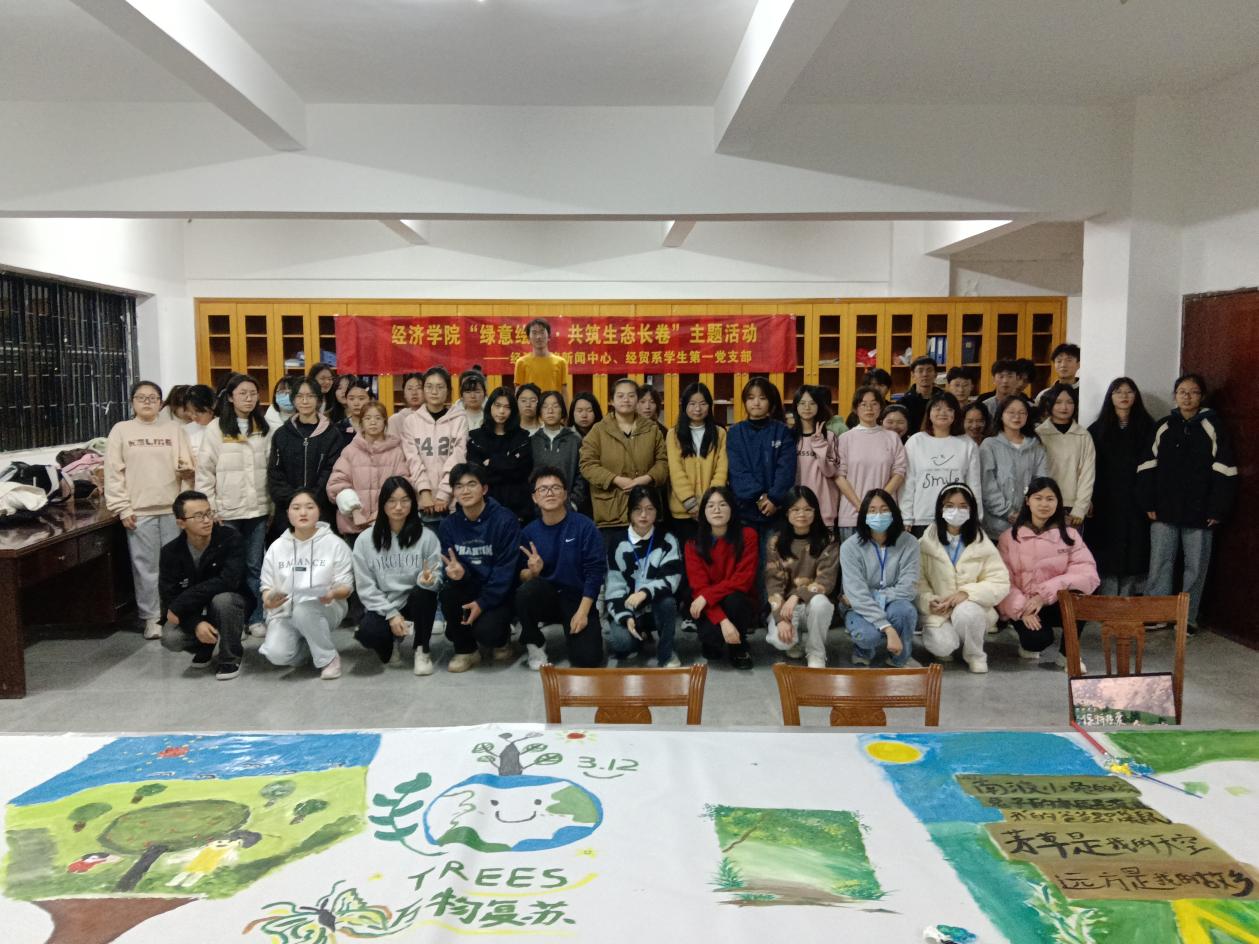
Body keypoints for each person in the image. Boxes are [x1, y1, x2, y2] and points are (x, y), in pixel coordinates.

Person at [1138, 373, 1237, 631]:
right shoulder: (1163, 426)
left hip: (1201, 511)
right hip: (1163, 509)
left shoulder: (1213, 426)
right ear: (1175, 396)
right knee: (1160, 563)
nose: (1187, 396)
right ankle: (1157, 614)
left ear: (1201, 396)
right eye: (1182, 391)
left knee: (1195, 567)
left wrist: (1218, 508)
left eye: (1193, 392)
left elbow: (1225, 469)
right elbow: (1147, 466)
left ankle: (1187, 619)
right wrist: (1148, 502)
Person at [106, 380, 194, 639]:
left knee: (176, 566)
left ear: (160, 402)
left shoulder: (174, 430)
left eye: (153, 397)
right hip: (140, 510)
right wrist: (122, 508)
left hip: (172, 509)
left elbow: (188, 466)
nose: (147, 402)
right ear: (132, 402)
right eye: (141, 397)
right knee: (146, 567)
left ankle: (175, 614)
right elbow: (113, 473)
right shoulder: (121, 430)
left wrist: (186, 496)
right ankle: (152, 617)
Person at [195, 372, 273, 638]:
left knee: (254, 566)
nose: (249, 399)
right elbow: (205, 472)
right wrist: (210, 509)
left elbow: (270, 470)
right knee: (228, 568)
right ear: (230, 397)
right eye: (242, 394)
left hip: (258, 510)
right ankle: (232, 621)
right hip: (226, 511)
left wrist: (271, 506)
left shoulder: (263, 427)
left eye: (253, 394)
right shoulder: (216, 428)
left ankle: (256, 617)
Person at [997, 477, 1100, 667]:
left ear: (1058, 503)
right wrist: (1023, 609)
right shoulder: (1009, 538)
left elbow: (1087, 574)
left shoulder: (1070, 535)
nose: (1044, 504)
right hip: (1025, 605)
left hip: (1053, 602)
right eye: (1038, 498)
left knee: (1081, 597)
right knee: (1036, 641)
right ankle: (1025, 639)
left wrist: (1043, 595)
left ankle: (1068, 655)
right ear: (1028, 501)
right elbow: (1002, 580)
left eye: (1050, 499)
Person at [258, 489, 355, 680]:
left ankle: (328, 658)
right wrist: (269, 600)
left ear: (319, 511)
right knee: (276, 654)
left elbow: (346, 587)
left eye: (309, 507)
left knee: (304, 610)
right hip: (285, 610)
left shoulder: (335, 544)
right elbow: (266, 587)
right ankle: (309, 649)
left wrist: (332, 593)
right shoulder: (277, 547)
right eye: (296, 508)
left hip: (325, 607)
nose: (303, 513)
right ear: (288, 513)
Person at [516, 467, 608, 669]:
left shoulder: (585, 526)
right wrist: (533, 572)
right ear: (534, 497)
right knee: (525, 592)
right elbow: (521, 575)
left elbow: (595, 574)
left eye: (555, 488)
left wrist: (583, 612)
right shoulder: (529, 532)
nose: (549, 493)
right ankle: (535, 644)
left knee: (588, 660)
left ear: (565, 494)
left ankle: (587, 634)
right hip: (547, 596)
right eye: (543, 489)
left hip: (577, 598)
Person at [916, 484, 1009, 674]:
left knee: (968, 613)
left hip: (970, 607)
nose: (956, 511)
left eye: (963, 506)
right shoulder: (925, 543)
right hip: (939, 610)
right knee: (943, 647)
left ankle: (975, 654)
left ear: (971, 510)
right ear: (940, 508)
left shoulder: (982, 543)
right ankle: (948, 641)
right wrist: (929, 600)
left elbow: (999, 581)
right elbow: (918, 582)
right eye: (949, 506)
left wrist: (967, 593)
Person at [158, 490, 252, 680]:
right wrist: (195, 624)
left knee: (223, 600)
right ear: (181, 523)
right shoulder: (170, 552)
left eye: (209, 513)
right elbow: (169, 595)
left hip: (232, 602)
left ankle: (230, 657)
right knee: (171, 638)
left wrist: (181, 602)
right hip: (195, 610)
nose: (207, 520)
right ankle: (205, 645)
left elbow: (229, 581)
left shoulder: (230, 538)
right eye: (198, 516)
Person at [437, 464, 522, 672]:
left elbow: (506, 570)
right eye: (459, 486)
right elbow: (451, 564)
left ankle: (501, 639)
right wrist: (459, 573)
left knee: (489, 633)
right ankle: (466, 651)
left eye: (471, 484)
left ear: (484, 489)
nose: (465, 491)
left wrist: (483, 603)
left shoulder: (505, 520)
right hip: (469, 587)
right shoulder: (449, 525)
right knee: (448, 592)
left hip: (498, 593)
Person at [352, 477, 442, 674]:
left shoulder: (427, 537)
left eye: (405, 500)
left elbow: (436, 574)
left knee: (424, 593)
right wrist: (391, 614)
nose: (398, 507)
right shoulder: (365, 540)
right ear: (382, 504)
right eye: (391, 501)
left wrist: (429, 581)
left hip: (415, 601)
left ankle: (422, 649)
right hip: (384, 602)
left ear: (413, 503)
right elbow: (366, 587)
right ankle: (392, 641)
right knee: (368, 634)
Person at [579, 377, 668, 551]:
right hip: (610, 511)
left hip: (645, 509)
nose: (626, 400)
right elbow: (587, 465)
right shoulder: (598, 430)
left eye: (631, 395)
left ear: (637, 399)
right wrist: (615, 479)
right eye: (620, 396)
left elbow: (663, 463)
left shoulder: (652, 429)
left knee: (646, 563)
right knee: (613, 562)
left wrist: (646, 478)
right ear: (611, 401)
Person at [726, 377, 796, 599]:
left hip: (775, 511)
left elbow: (786, 469)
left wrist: (774, 498)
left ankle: (771, 609)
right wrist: (758, 496)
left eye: (762, 398)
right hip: (745, 511)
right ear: (745, 402)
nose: (756, 403)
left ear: (771, 403)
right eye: (751, 398)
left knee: (773, 563)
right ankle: (750, 611)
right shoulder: (735, 432)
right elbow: (737, 470)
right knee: (747, 563)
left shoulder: (781, 431)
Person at [1086, 377, 1155, 596]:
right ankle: (1106, 601)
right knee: (1107, 550)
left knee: (1136, 550)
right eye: (1118, 392)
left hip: (1137, 499)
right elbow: (1089, 468)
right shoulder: (1096, 429)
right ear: (1110, 397)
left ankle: (1129, 601)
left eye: (1129, 391)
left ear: (1136, 396)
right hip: (1105, 500)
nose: (1124, 396)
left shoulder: (1149, 427)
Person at [606, 485, 684, 668]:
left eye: (650, 509)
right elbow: (614, 588)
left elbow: (671, 579)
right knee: (621, 645)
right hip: (628, 607)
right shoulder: (617, 541)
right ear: (630, 512)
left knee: (668, 603)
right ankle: (637, 635)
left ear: (657, 512)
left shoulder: (667, 539)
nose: (643, 515)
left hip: (655, 606)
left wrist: (644, 593)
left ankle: (666, 654)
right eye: (638, 509)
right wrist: (625, 616)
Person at [840, 489, 919, 667]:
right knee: (868, 636)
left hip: (895, 603)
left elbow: (909, 588)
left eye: (884, 510)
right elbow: (856, 594)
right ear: (864, 515)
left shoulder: (909, 542)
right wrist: (887, 628)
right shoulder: (850, 547)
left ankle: (901, 658)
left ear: (894, 512)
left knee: (905, 611)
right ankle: (863, 652)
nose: (878, 515)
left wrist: (877, 596)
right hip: (859, 606)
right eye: (872, 510)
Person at [764, 486, 840, 668]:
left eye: (807, 509)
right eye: (795, 509)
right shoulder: (775, 542)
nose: (801, 514)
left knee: (821, 603)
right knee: (782, 641)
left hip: (811, 605)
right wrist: (781, 619)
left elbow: (826, 581)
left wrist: (796, 596)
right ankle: (794, 641)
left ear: (815, 512)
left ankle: (816, 652)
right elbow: (774, 585)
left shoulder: (828, 540)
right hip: (786, 608)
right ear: (787, 513)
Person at [684, 486, 759, 670]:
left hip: (736, 600)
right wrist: (723, 622)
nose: (717, 510)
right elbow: (699, 588)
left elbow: (743, 580)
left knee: (735, 599)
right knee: (711, 637)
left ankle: (738, 648)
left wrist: (707, 596)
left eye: (723, 504)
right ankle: (712, 641)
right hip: (709, 606)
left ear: (732, 509)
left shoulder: (748, 536)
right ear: (703, 512)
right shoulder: (693, 544)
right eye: (710, 506)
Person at [267, 377, 346, 542]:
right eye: (300, 396)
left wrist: (311, 502)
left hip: (322, 512)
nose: (305, 401)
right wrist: (294, 502)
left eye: (310, 396)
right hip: (287, 512)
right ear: (293, 400)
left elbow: (332, 471)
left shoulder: (332, 434)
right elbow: (275, 474)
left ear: (318, 399)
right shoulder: (281, 434)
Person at [327, 400, 410, 537]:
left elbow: (403, 484)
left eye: (378, 418)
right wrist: (354, 511)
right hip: (354, 525)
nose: (373, 422)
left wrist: (382, 513)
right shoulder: (350, 451)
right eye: (367, 418)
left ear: (385, 422)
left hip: (389, 525)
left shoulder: (396, 452)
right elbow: (336, 485)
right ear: (361, 423)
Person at [902, 392, 982, 532]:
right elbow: (908, 482)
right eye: (937, 408)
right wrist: (906, 516)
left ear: (955, 414)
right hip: (922, 517)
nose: (943, 413)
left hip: (957, 518)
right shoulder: (916, 441)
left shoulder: (967, 444)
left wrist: (976, 517)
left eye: (949, 409)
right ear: (929, 413)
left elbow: (974, 485)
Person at [835, 386, 906, 541]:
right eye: (864, 404)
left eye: (874, 404)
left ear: (881, 407)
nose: (869, 408)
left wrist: (879, 502)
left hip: (885, 515)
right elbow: (839, 476)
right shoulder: (845, 439)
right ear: (856, 408)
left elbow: (899, 472)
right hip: (852, 515)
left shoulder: (892, 437)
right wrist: (862, 507)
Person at [400, 366, 468, 526]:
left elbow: (458, 457)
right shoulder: (411, 421)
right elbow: (412, 460)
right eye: (429, 386)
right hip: (421, 502)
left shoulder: (459, 420)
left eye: (440, 387)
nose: (434, 392)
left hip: (452, 500)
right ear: (423, 390)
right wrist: (424, 491)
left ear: (448, 391)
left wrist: (444, 493)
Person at [979, 396, 1049, 542]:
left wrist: (1030, 513)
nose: (1017, 417)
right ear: (1001, 415)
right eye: (1011, 412)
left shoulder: (1036, 446)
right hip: (996, 525)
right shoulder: (989, 445)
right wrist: (1008, 513)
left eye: (1022, 413)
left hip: (1028, 523)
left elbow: (1041, 482)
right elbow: (987, 486)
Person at [467, 386, 534, 522]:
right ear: (490, 407)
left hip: (518, 508)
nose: (501, 411)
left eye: (507, 407)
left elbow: (522, 472)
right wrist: (509, 464)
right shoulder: (475, 437)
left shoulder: (523, 437)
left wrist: (491, 463)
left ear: (513, 410)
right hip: (484, 507)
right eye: (497, 406)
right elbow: (477, 474)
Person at [1036, 383, 1095, 527]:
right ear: (1050, 404)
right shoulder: (1039, 435)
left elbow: (1087, 474)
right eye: (1058, 402)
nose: (1064, 407)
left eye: (1069, 402)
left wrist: (1080, 508)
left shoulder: (1083, 435)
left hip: (1072, 507)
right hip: (1043, 503)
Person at [790, 385, 841, 531]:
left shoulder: (829, 436)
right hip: (796, 512)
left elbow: (830, 472)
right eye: (802, 403)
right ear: (796, 407)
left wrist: (819, 446)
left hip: (824, 512)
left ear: (819, 406)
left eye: (812, 403)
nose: (807, 407)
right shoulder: (789, 437)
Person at [532, 390, 588, 515]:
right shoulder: (533, 441)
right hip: (539, 509)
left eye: (555, 406)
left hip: (569, 509)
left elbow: (582, 474)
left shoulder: (575, 440)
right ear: (540, 412)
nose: (550, 411)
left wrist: (573, 503)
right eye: (545, 407)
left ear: (562, 411)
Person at [514, 318, 569, 399]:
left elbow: (564, 391)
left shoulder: (561, 362)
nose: (538, 336)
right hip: (531, 406)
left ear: (549, 336)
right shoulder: (521, 362)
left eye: (542, 332)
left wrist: (566, 407)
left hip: (552, 406)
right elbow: (518, 392)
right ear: (528, 338)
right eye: (534, 333)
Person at [897, 356, 939, 432]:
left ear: (936, 374)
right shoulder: (904, 402)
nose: (925, 374)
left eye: (929, 370)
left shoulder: (943, 399)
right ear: (913, 374)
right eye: (920, 370)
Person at [1036, 342, 1081, 409]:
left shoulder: (1084, 393)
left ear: (1078, 364)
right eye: (1059, 361)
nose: (1063, 365)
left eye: (1069, 360)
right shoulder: (1044, 395)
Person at [183, 384, 217, 462]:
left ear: (213, 406)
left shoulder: (223, 428)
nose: (194, 416)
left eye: (199, 411)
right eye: (190, 412)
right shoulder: (185, 430)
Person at [386, 372, 424, 439]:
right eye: (409, 388)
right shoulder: (395, 420)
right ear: (404, 394)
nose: (414, 393)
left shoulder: (433, 417)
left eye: (419, 388)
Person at [458, 368, 487, 432]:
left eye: (476, 390)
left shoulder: (492, 414)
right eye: (468, 390)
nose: (472, 396)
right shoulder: (454, 415)